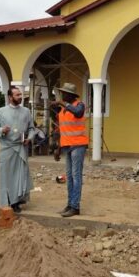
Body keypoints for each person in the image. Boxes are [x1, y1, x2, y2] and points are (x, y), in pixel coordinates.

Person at [0, 86, 35, 213]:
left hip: (21, 147)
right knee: (6, 175)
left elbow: (32, 128)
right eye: (17, 95)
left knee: (19, 175)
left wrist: (29, 138)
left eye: (21, 94)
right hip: (6, 147)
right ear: (10, 97)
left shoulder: (26, 111)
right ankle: (5, 200)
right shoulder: (1, 111)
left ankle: (16, 202)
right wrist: (1, 130)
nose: (20, 97)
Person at [50, 82, 88, 218]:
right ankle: (70, 204)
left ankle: (75, 206)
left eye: (64, 93)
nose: (62, 95)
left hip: (78, 145)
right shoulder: (63, 111)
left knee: (76, 176)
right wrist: (58, 149)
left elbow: (78, 113)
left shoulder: (80, 105)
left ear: (71, 95)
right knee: (70, 177)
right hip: (67, 146)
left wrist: (61, 103)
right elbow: (62, 130)